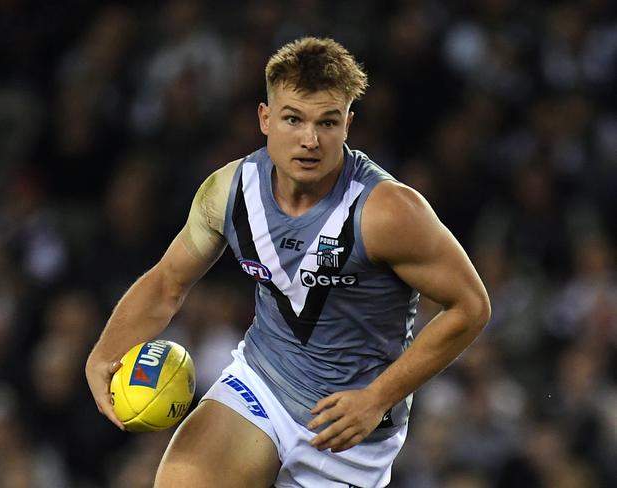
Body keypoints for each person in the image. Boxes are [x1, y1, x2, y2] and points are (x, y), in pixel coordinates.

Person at [85, 36, 491, 488]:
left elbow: (471, 307)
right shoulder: (229, 192)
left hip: (348, 430)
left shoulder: (389, 212)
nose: (310, 140)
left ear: (348, 125)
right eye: (293, 119)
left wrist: (378, 397)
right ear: (264, 118)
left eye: (327, 123)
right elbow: (167, 284)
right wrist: (105, 351)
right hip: (262, 384)